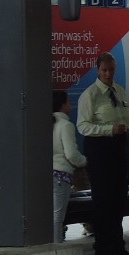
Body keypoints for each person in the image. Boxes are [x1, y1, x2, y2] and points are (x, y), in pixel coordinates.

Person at [76, 52, 129, 255]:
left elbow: (127, 116)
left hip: (119, 146)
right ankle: (104, 245)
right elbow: (82, 126)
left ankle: (116, 243)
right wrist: (109, 130)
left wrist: (128, 129)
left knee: (119, 195)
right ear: (97, 71)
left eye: (111, 70)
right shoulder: (90, 95)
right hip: (100, 148)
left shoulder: (120, 92)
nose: (108, 74)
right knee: (103, 197)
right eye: (104, 70)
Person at [51, 90, 86, 244]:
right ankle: (56, 249)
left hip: (48, 174)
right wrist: (85, 161)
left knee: (50, 215)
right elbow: (71, 154)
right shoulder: (65, 125)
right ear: (63, 104)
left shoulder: (47, 123)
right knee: (58, 217)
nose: (69, 105)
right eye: (67, 102)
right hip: (61, 176)